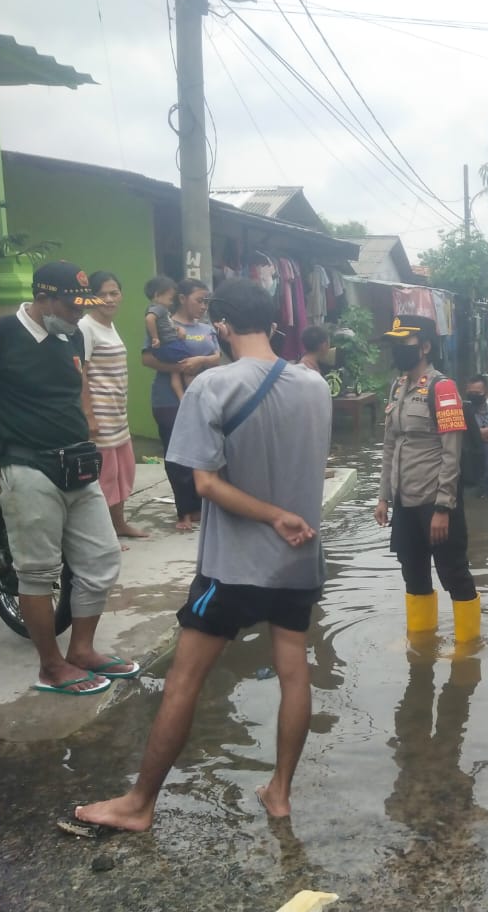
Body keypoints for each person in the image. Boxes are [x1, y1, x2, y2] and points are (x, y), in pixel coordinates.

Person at [73, 278, 333, 832]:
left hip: (233, 566)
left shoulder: (211, 387)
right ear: (273, 321)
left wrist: (271, 516)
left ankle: (139, 804)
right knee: (294, 673)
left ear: (223, 326)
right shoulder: (315, 386)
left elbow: (206, 485)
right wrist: (288, 516)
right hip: (299, 561)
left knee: (184, 680)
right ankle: (280, 793)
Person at [0, 261, 133, 695]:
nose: (78, 314)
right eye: (72, 305)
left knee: (101, 559)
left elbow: (72, 392)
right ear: (44, 298)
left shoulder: (70, 334)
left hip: (78, 464)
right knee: (37, 571)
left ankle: (83, 651)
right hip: (25, 467)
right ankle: (51, 667)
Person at [373, 315, 480, 645]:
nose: (397, 352)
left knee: (453, 573)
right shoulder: (398, 386)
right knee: (413, 573)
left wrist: (443, 507)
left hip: (436, 502)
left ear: (425, 347)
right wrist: (383, 496)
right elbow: (391, 444)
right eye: (394, 345)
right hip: (405, 503)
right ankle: (420, 645)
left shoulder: (443, 388)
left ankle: (469, 647)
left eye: (402, 345)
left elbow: (452, 453)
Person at [142, 278, 220, 531]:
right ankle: (184, 512)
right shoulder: (165, 322)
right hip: (168, 399)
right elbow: (147, 359)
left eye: (207, 301)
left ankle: (202, 505)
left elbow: (216, 357)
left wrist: (199, 361)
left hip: (203, 398)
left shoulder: (207, 328)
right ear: (182, 298)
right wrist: (180, 367)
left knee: (203, 452)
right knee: (177, 456)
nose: (204, 306)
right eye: (199, 300)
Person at [79, 271, 148, 544]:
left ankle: (119, 524)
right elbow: (81, 372)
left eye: (114, 293)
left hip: (117, 414)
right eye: (102, 293)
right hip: (100, 415)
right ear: (90, 297)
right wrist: (89, 415)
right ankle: (102, 535)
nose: (109, 299)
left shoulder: (109, 325)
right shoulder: (86, 326)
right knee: (104, 477)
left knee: (122, 472)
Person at [144, 275, 189, 401]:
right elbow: (149, 319)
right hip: (169, 345)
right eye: (170, 297)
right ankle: (191, 391)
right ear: (158, 295)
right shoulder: (158, 308)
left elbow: (167, 325)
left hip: (169, 342)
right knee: (189, 363)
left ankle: (181, 397)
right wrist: (155, 338)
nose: (172, 301)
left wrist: (177, 329)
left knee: (174, 373)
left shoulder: (162, 310)